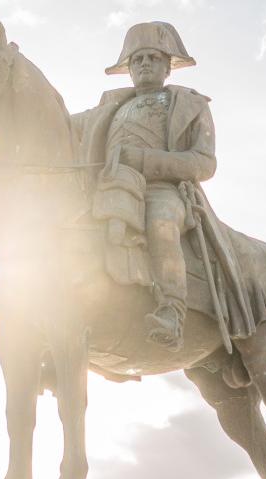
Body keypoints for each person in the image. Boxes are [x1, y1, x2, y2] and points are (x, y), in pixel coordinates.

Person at [70, 22, 217, 348]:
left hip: (162, 191)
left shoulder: (191, 105)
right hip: (110, 187)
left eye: (152, 57)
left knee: (161, 221)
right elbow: (54, 122)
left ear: (167, 65)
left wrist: (144, 160)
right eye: (137, 60)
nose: (145, 64)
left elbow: (204, 163)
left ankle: (172, 310)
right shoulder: (109, 107)